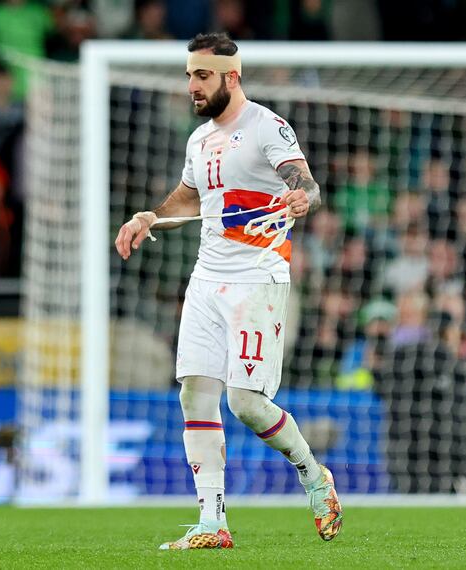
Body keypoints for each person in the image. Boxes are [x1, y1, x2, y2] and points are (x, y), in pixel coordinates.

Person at [114, 32, 342, 550]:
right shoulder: (199, 140)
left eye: (202, 76)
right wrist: (150, 215)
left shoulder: (266, 126)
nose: (192, 86)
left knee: (245, 402)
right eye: (189, 75)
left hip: (257, 278)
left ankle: (313, 473)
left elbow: (304, 182)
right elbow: (187, 199)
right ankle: (212, 522)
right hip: (206, 279)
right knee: (195, 390)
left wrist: (302, 197)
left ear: (230, 77)